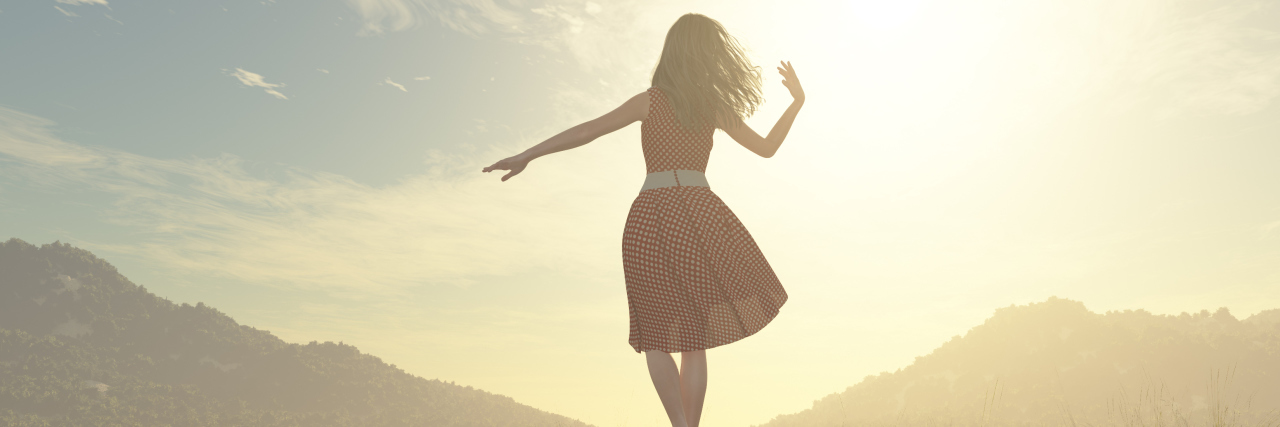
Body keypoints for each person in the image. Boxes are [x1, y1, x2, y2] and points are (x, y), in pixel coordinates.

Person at [483, 13, 804, 427]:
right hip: (699, 216)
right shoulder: (711, 107)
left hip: (650, 218)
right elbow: (766, 148)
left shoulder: (652, 100)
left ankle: (679, 425)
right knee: (694, 337)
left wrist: (528, 154)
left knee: (656, 333)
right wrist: (796, 103)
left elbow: (588, 132)